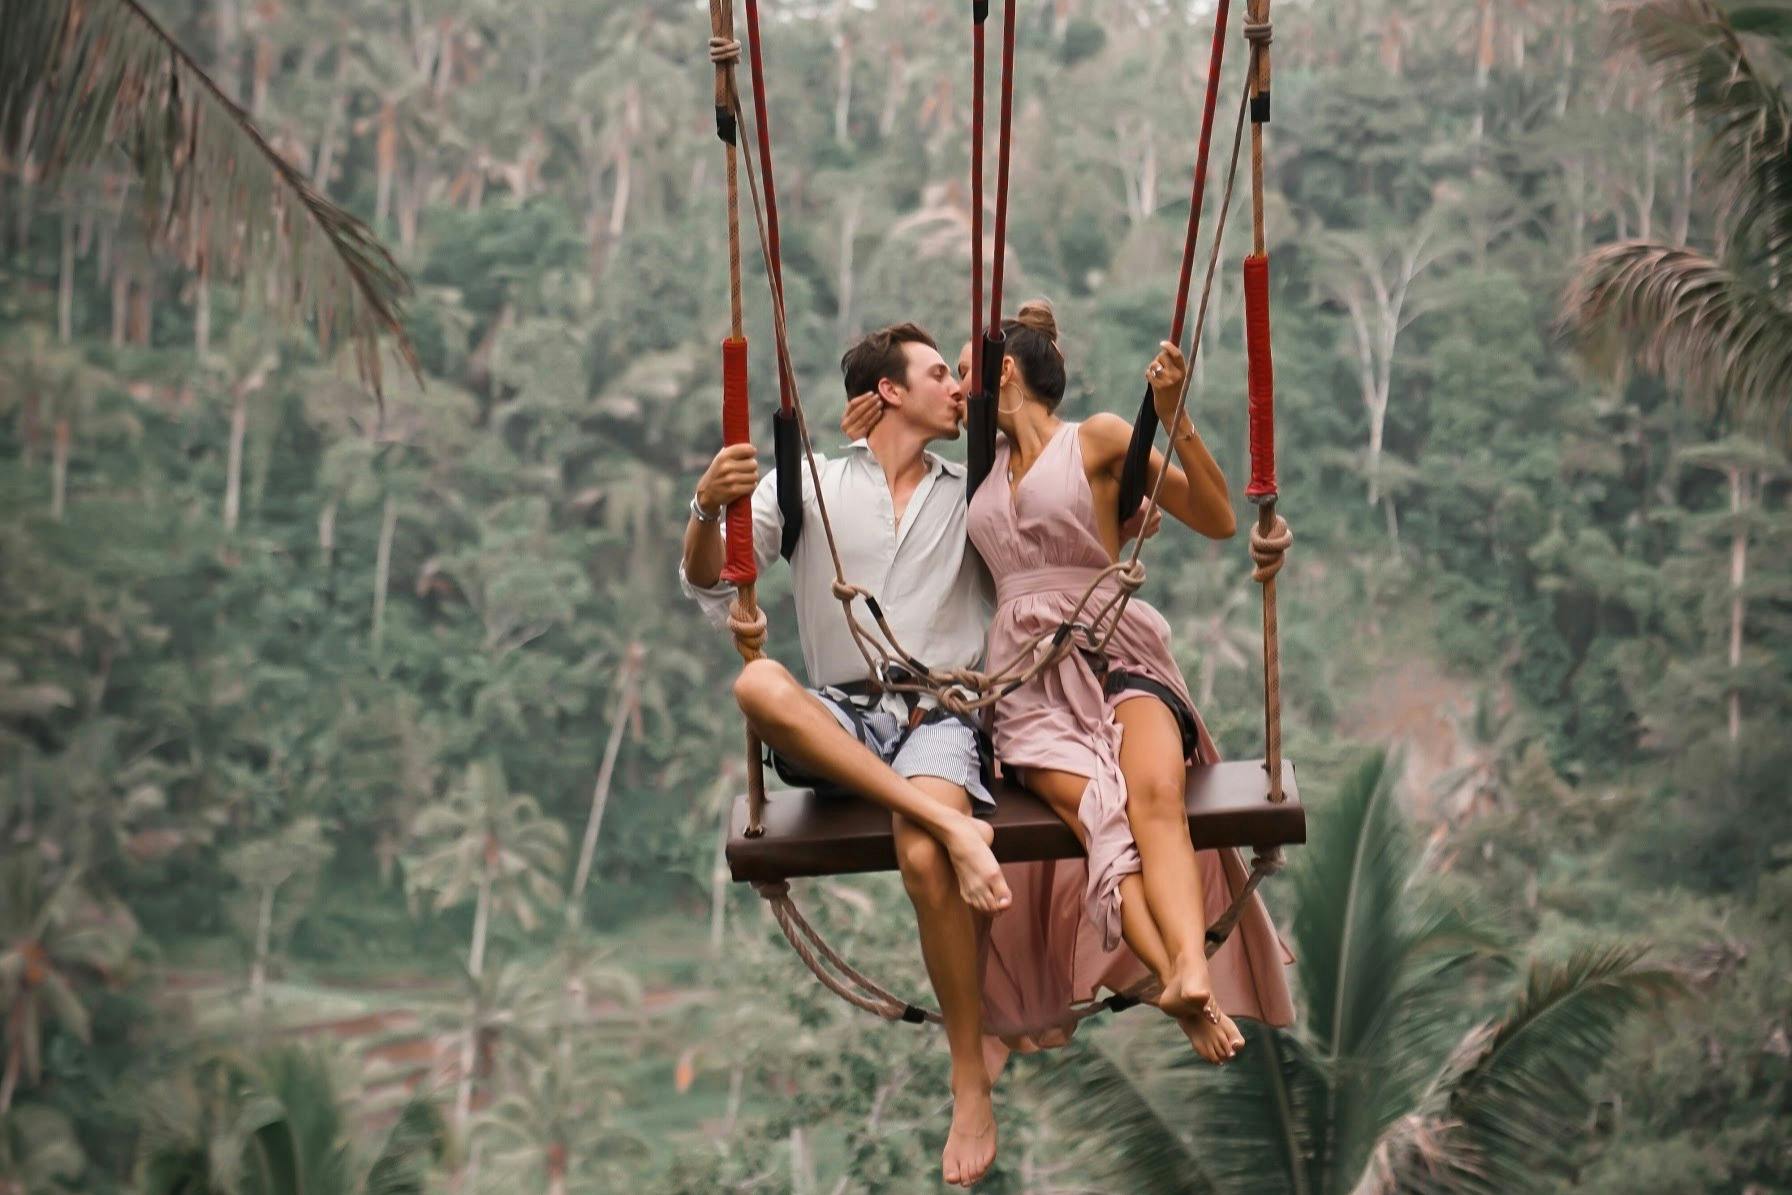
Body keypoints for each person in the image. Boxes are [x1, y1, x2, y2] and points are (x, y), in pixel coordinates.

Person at [845, 300, 1294, 1062]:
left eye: (965, 371)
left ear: (1005, 372)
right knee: (1097, 817)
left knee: (1155, 796)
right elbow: (895, 484)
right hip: (1027, 685)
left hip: (1114, 652)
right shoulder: (980, 468)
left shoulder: (1100, 437)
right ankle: (1182, 985)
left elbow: (1216, 517)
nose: (958, 388)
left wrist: (1173, 418)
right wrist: (865, 428)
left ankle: (1190, 969)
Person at [680, 323, 1008, 1187]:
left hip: (941, 711)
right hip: (845, 713)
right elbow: (709, 581)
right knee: (758, 685)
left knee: (922, 857)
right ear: (889, 390)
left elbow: (1057, 487)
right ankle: (946, 820)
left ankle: (967, 1078)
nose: (958, 388)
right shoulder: (811, 484)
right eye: (938, 373)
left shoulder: (975, 488)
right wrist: (707, 507)